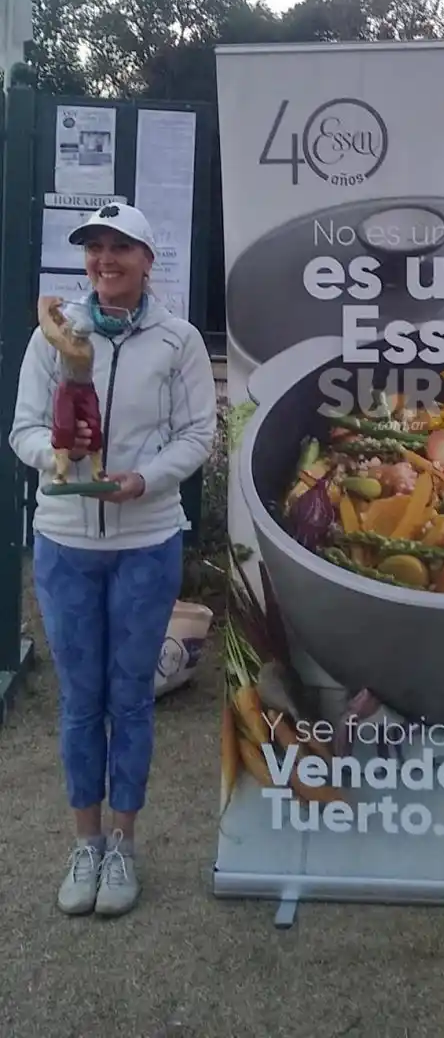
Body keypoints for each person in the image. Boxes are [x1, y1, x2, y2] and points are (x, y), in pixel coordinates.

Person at [10, 202, 217, 919]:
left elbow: (198, 434)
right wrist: (56, 460)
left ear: (147, 260)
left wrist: (147, 478)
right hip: (67, 540)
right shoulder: (54, 336)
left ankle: (124, 842)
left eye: (119, 249)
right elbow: (23, 429)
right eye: (95, 249)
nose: (105, 261)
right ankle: (86, 842)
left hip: (146, 541)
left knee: (129, 700)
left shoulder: (179, 339)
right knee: (79, 702)